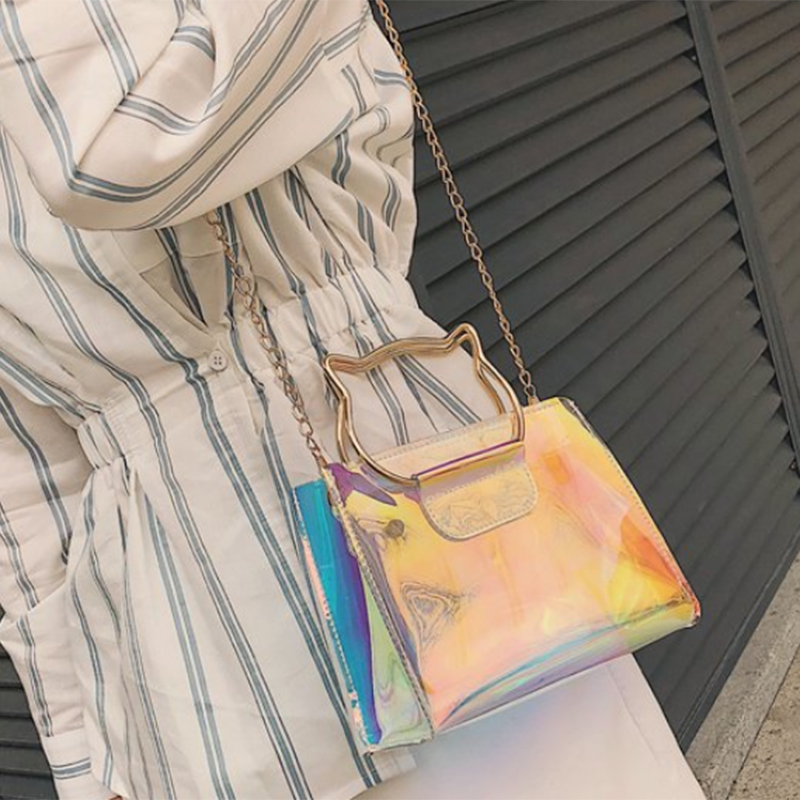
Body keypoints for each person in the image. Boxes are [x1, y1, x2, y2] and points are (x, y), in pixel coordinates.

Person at [0, 1, 706, 798]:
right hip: (199, 638)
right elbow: (29, 485)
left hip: (434, 511)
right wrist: (86, 756)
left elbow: (122, 152)